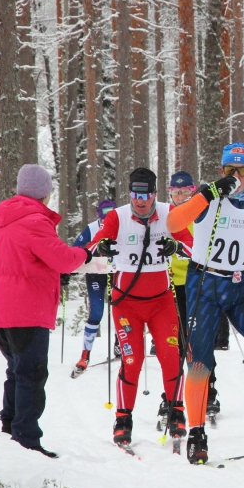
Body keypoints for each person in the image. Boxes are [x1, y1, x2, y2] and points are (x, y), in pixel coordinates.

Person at [167, 142, 244, 464]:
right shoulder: (207, 198)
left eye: (241, 170)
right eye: (228, 170)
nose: (235, 176)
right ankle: (197, 434)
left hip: (242, 285)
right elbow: (173, 224)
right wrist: (209, 192)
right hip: (203, 284)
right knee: (199, 362)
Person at [0, 164, 92, 458]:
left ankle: (10, 430)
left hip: (2, 307)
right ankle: (26, 439)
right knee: (31, 374)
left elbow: (30, 262)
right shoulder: (34, 221)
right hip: (26, 308)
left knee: (16, 371)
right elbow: (63, 259)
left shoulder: (6, 221)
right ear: (45, 194)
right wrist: (85, 254)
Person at [87, 168, 194, 446]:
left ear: (155, 194)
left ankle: (176, 411)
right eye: (135, 194)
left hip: (161, 303)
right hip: (127, 305)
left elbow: (194, 246)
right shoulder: (118, 216)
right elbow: (93, 246)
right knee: (131, 361)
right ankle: (123, 418)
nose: (140, 200)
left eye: (146, 194)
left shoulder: (169, 213)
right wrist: (103, 247)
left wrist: (176, 247)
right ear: (130, 194)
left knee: (171, 356)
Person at [156, 171, 226, 428]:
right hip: (169, 288)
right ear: (170, 194)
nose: (181, 198)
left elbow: (205, 247)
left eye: (186, 193)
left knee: (199, 342)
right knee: (173, 345)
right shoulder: (165, 218)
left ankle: (209, 393)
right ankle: (171, 397)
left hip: (198, 286)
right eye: (176, 193)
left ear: (194, 192)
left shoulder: (200, 214)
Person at [71, 199, 117, 376]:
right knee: (97, 312)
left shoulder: (121, 223)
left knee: (120, 309)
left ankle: (120, 345)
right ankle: (85, 355)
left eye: (110, 217)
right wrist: (70, 270)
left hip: (115, 273)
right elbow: (76, 248)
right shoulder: (91, 228)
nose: (107, 221)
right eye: (104, 218)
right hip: (95, 273)